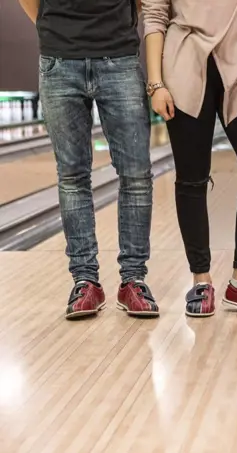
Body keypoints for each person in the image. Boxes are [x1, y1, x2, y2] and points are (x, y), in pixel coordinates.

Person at [143, 0, 237, 317]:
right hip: (185, 61)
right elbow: (155, 14)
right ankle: (201, 280)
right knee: (192, 176)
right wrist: (155, 82)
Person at [19, 0, 158, 319]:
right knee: (72, 177)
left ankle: (133, 280)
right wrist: (51, 28)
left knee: (136, 176)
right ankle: (85, 282)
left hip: (120, 57)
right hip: (58, 61)